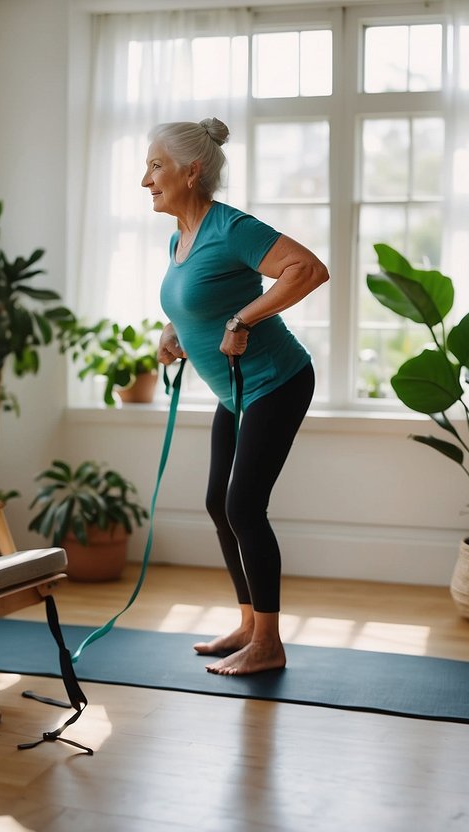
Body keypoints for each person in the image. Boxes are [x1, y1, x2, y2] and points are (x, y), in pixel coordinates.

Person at [143, 118, 328, 676]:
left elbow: (308, 269)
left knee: (244, 505)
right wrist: (173, 331)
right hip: (235, 392)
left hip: (276, 381)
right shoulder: (181, 236)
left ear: (191, 172)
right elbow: (194, 299)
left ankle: (269, 643)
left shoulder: (231, 228)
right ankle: (249, 623)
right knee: (218, 504)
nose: (145, 179)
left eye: (156, 166)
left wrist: (245, 317)